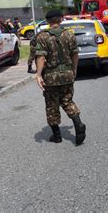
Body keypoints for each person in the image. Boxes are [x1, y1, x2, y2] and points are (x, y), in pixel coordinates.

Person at [35, 9, 86, 145]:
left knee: (52, 105)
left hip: (51, 76)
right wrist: (74, 69)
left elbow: (41, 56)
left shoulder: (42, 36)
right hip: (67, 74)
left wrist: (39, 74)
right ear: (61, 19)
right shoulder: (69, 35)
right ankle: (78, 123)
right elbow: (75, 54)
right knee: (67, 100)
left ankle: (57, 135)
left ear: (47, 21)